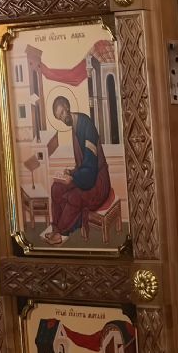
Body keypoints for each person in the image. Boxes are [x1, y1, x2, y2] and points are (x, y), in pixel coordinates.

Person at [46, 96, 112, 244]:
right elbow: (82, 164)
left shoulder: (86, 124)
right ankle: (55, 228)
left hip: (98, 181)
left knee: (74, 196)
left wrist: (74, 178)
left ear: (67, 106)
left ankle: (61, 233)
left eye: (62, 113)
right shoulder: (75, 127)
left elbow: (91, 165)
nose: (63, 118)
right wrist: (71, 172)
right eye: (59, 117)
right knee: (56, 188)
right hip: (85, 175)